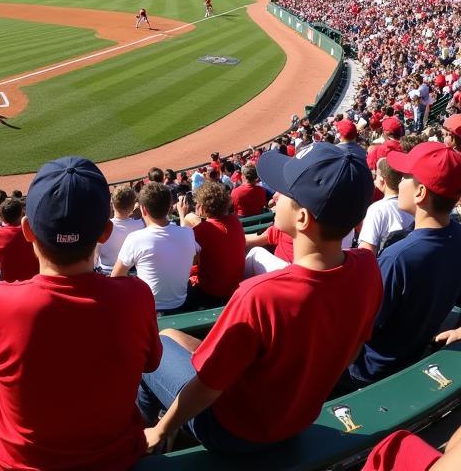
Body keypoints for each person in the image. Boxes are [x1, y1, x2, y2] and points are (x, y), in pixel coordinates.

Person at [138, 143, 382, 456]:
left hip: (235, 431)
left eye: (283, 193)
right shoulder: (367, 267)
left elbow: (206, 386)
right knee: (171, 335)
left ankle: (148, 438)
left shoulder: (260, 295)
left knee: (153, 350)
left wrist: (161, 430)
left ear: (303, 217)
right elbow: (350, 354)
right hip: (297, 417)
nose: (275, 197)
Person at [0, 156, 161, 471]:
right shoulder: (137, 295)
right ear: (105, 233)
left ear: (27, 230)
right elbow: (152, 363)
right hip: (115, 457)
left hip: (17, 463)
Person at [345, 142, 461, 387]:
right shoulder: (457, 237)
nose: (399, 181)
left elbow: (362, 329)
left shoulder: (398, 257)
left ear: (420, 193)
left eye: (405, 177)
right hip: (414, 355)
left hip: (370, 370)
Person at [112, 181, 198, 314]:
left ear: (143, 209)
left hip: (150, 310)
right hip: (183, 304)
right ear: (169, 207)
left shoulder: (135, 238)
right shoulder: (188, 233)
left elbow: (116, 277)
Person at [178, 182, 246, 308]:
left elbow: (187, 256)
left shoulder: (201, 231)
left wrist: (182, 216)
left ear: (203, 208)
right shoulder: (235, 221)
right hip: (235, 287)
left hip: (212, 293)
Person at [357, 156, 414, 253]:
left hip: (383, 265)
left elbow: (366, 251)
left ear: (382, 179)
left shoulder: (377, 210)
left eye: (376, 174)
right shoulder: (414, 206)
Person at [0, 197, 38, 283]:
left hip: (5, 277)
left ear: (0, 216)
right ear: (22, 214)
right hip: (31, 277)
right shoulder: (33, 232)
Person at [95, 185, 143, 273]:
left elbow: (95, 257)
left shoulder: (101, 228)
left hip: (106, 273)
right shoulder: (141, 225)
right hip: (135, 272)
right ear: (133, 206)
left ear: (112, 204)